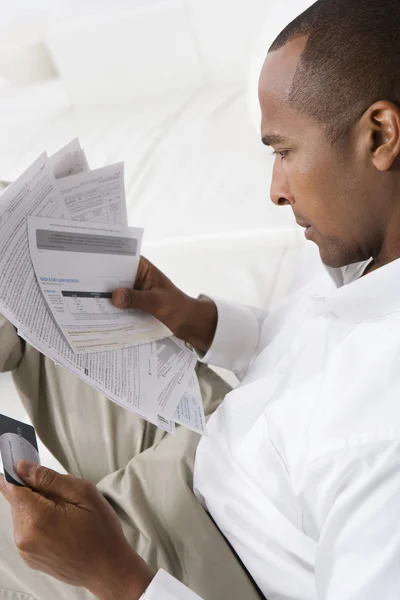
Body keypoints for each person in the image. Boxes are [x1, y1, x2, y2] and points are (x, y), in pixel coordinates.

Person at [1, 0, 400, 598]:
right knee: (21, 228)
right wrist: (197, 318)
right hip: (209, 434)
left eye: (283, 151)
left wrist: (118, 577)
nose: (275, 189)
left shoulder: (381, 443)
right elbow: (309, 350)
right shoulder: (359, 244)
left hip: (205, 566)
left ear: (381, 135)